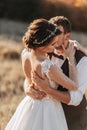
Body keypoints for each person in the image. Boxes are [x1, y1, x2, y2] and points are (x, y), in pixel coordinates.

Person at [5, 18, 78, 130]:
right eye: (53, 44)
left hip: (30, 105)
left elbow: (28, 79)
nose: (55, 47)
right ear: (43, 44)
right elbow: (73, 86)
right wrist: (71, 58)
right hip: (48, 110)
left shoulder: (25, 54)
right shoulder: (47, 66)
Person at [24, 16, 87, 130]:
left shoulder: (83, 60)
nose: (52, 35)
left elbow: (76, 97)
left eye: (57, 32)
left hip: (71, 121)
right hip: (42, 113)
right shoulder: (44, 49)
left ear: (67, 36)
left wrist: (47, 90)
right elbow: (30, 76)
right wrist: (28, 89)